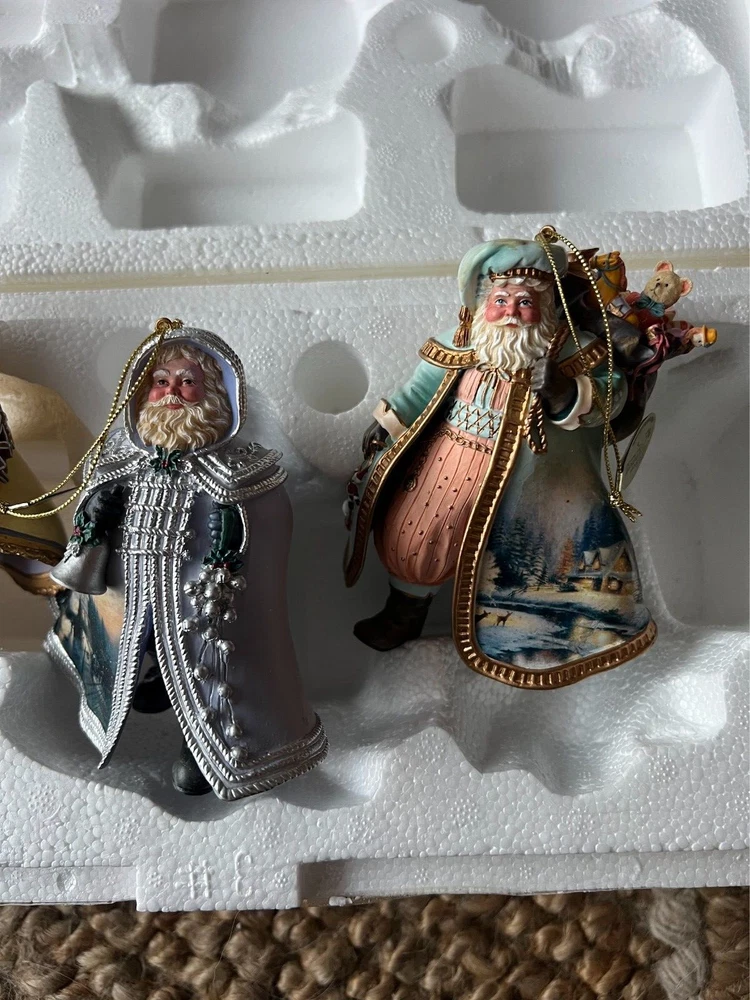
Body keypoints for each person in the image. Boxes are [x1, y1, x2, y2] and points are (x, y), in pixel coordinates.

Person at [344, 238, 655, 689]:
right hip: (448, 462)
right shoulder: (465, 340)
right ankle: (405, 611)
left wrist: (565, 393)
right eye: (501, 300)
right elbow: (421, 387)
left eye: (525, 302)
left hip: (526, 478)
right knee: (415, 534)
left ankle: (518, 628)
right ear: (483, 303)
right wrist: (387, 421)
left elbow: (613, 395)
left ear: (546, 306)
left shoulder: (574, 350)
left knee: (517, 556)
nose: (511, 312)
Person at [48, 322, 327, 799]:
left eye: (187, 381)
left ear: (215, 393)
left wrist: (236, 535)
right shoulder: (120, 463)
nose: (173, 391)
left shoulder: (242, 472)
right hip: (131, 593)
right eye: (161, 381)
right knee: (138, 644)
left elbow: (268, 529)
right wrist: (95, 514)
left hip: (200, 602)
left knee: (207, 666)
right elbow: (88, 528)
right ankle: (151, 680)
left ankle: (204, 744)